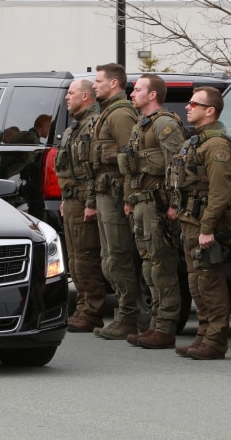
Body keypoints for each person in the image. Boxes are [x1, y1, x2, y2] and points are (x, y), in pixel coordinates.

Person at [166, 87, 231, 360]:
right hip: (190, 220)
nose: (187, 107)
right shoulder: (198, 141)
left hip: (203, 224)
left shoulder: (217, 145)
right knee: (197, 282)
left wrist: (207, 228)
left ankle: (215, 341)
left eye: (194, 103)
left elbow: (220, 193)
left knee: (210, 282)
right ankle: (203, 337)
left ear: (210, 110)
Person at [124, 74, 187, 348]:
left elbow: (177, 167)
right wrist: (129, 198)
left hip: (157, 205)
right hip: (141, 204)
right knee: (149, 267)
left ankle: (165, 326)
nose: (132, 94)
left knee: (162, 266)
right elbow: (131, 166)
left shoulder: (164, 124)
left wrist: (174, 204)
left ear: (152, 95)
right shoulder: (141, 125)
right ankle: (155, 323)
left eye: (137, 89)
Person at [90, 62, 140, 340]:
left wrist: (129, 197)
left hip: (116, 194)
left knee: (117, 258)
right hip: (103, 193)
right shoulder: (107, 112)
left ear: (113, 83)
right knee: (108, 258)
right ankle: (124, 316)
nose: (94, 85)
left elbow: (129, 159)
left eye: (98, 81)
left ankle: (128, 318)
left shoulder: (121, 115)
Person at [55, 79, 106, 333]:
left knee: (86, 257)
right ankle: (82, 307)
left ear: (86, 96)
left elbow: (96, 169)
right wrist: (65, 199)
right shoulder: (74, 128)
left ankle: (92, 310)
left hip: (85, 200)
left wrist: (91, 202)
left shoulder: (94, 126)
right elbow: (68, 169)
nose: (67, 97)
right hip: (72, 200)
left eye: (71, 93)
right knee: (74, 260)